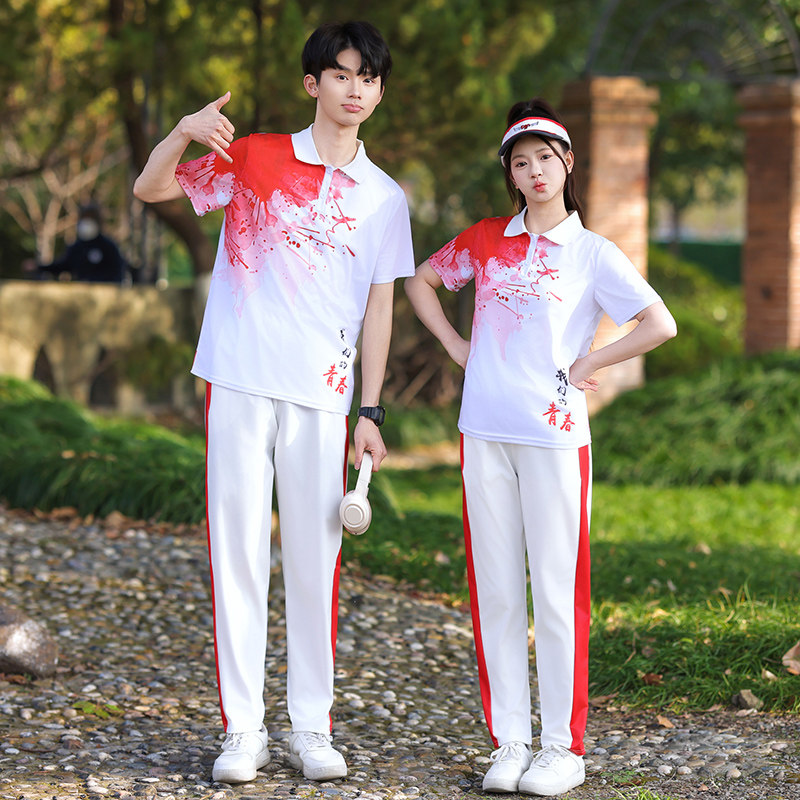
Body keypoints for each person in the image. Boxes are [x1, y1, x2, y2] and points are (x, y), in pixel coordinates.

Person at [133, 21, 414, 786]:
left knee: (316, 561)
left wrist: (371, 411)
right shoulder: (253, 155)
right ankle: (243, 729)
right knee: (238, 553)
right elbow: (151, 188)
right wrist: (183, 133)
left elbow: (380, 309)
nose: (355, 89)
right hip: (239, 378)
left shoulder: (385, 198)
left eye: (368, 78)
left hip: (323, 395)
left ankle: (311, 727)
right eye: (341, 74)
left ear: (378, 92)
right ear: (312, 83)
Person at [405, 98, 676, 796]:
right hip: (483, 432)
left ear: (568, 163)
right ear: (510, 173)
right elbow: (422, 281)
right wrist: (456, 345)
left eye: (545, 159)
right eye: (520, 163)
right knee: (496, 591)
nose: (534, 172)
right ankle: (510, 742)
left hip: (554, 438)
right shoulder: (486, 239)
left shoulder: (592, 253)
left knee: (556, 593)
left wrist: (592, 363)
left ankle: (563, 747)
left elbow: (659, 323)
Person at [29, 203, 127, 283]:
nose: (86, 222)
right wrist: (39, 267)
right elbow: (63, 265)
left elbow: (118, 271)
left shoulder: (108, 246)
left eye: (90, 218)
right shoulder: (77, 247)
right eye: (84, 218)